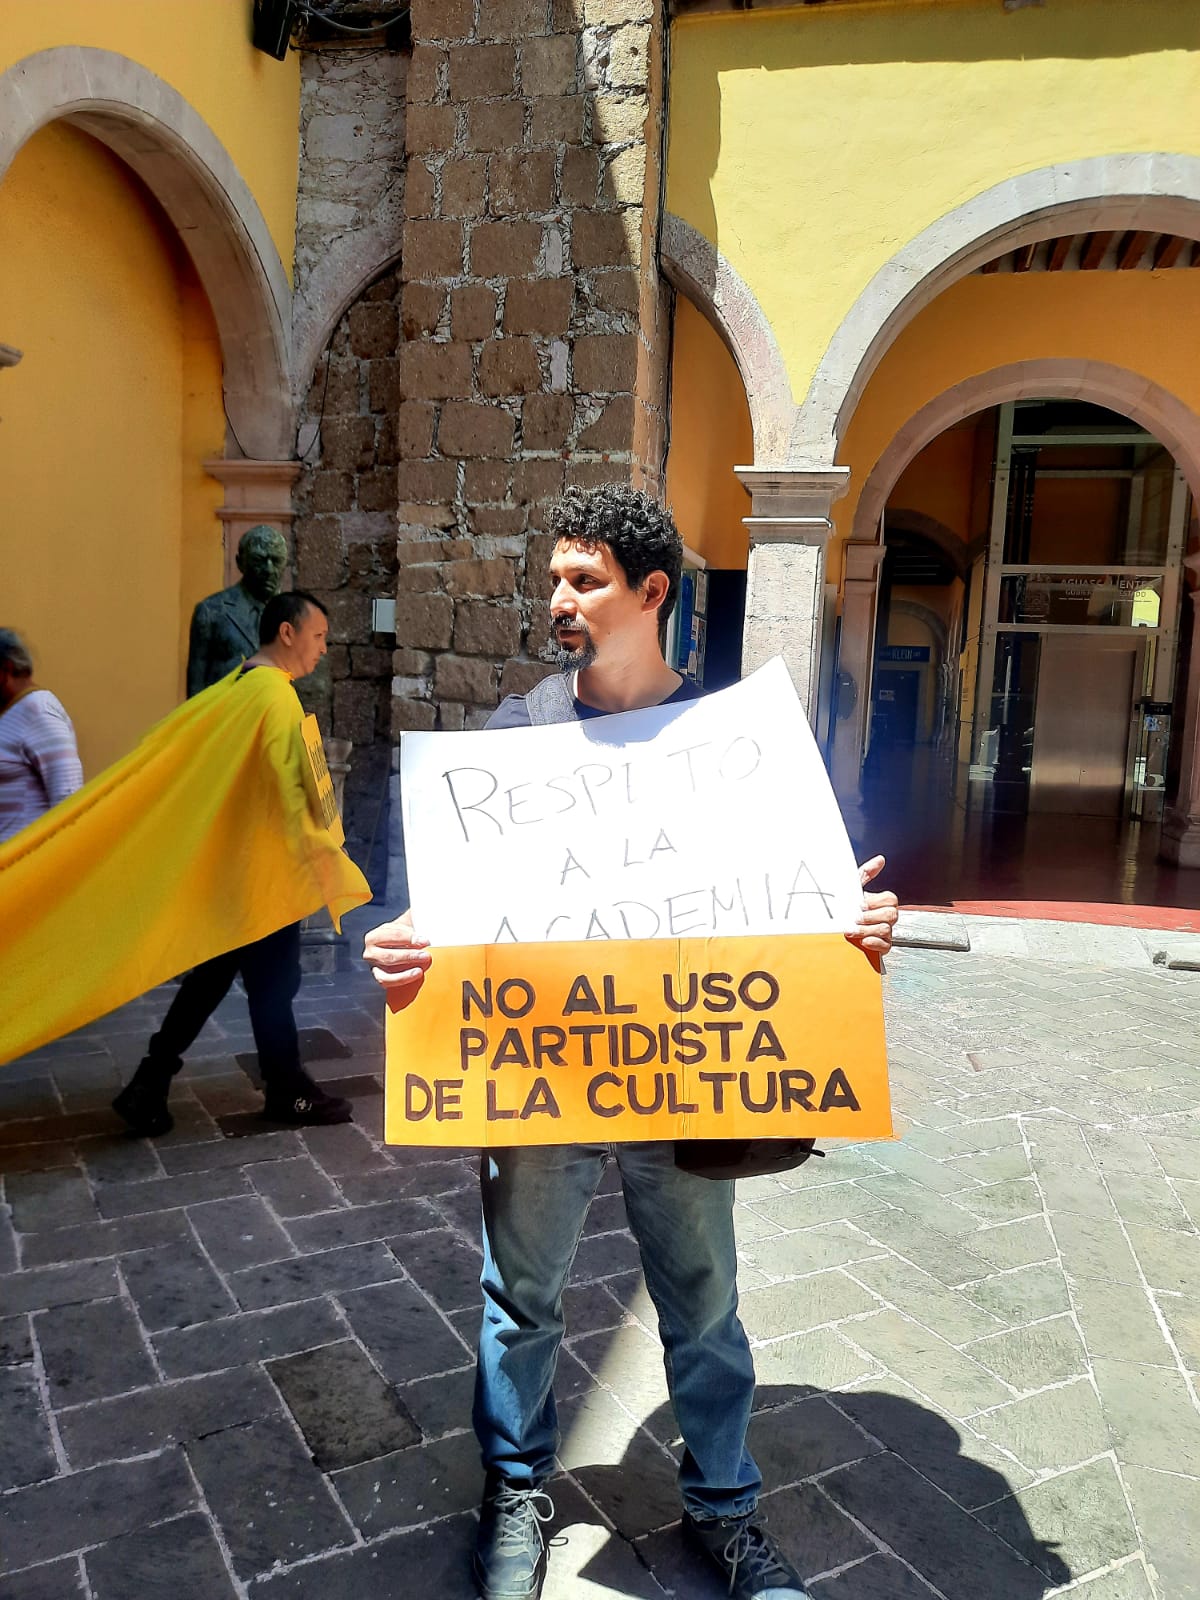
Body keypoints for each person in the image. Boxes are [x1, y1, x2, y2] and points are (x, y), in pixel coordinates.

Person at [362, 485, 899, 1600]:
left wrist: (856, 927)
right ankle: (515, 1492)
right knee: (520, 1299)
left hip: (682, 1082)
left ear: (652, 592)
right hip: (542, 1078)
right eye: (555, 576)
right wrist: (407, 946)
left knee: (703, 1303)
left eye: (585, 578)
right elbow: (451, 912)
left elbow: (798, 904)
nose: (559, 597)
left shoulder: (732, 744)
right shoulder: (516, 739)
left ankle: (727, 1508)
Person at [113, 591, 354, 1137]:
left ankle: (150, 1082)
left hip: (237, 865)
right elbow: (283, 785)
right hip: (264, 874)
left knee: (218, 979)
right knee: (267, 985)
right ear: (287, 633)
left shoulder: (240, 684)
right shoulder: (275, 697)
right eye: (317, 636)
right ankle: (286, 1091)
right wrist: (320, 846)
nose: (322, 648)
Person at [0, 628, 83, 844]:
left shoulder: (40, 712)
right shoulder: (9, 712)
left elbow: (68, 799)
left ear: (5, 670)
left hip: (25, 862)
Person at [186, 524, 289, 697]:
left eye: (276, 561)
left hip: (275, 720)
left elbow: (308, 691)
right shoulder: (211, 612)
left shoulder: (295, 616)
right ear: (240, 563)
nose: (269, 570)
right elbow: (195, 690)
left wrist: (306, 725)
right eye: (259, 560)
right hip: (228, 718)